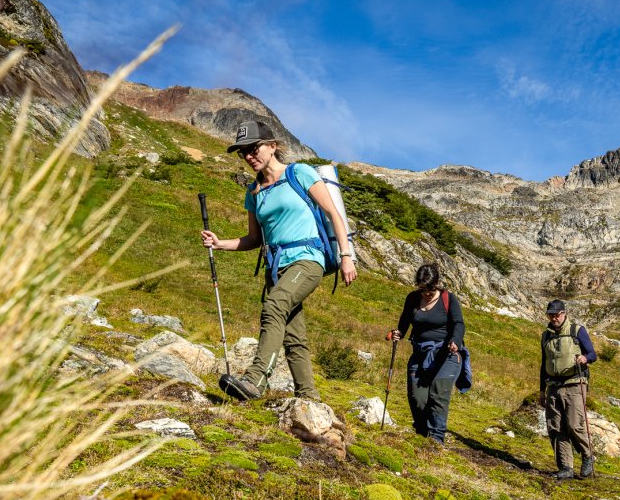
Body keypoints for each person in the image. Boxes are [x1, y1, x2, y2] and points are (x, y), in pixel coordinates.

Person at [201, 121, 356, 401]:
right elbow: (253, 239)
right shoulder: (254, 192)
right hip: (275, 268)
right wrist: (219, 243)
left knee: (274, 306)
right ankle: (308, 398)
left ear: (272, 146)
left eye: (254, 148)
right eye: (243, 152)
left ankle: (255, 381)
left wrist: (346, 256)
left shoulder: (300, 173)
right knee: (293, 335)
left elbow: (333, 214)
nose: (249, 156)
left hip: (308, 260)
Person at [388, 263, 469, 444]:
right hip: (420, 353)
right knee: (416, 397)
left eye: (430, 290)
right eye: (422, 289)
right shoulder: (412, 298)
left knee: (438, 393)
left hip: (446, 354)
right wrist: (399, 333)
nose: (426, 293)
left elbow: (459, 323)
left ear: (437, 284)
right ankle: (422, 433)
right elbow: (405, 321)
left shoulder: (448, 299)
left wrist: (455, 340)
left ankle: (436, 439)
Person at [539, 299, 597, 480]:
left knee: (574, 425)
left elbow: (592, 354)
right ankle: (566, 467)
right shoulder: (546, 336)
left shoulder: (576, 331)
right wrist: (541, 390)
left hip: (574, 383)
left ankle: (587, 456)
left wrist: (585, 359)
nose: (554, 318)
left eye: (557, 314)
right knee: (555, 427)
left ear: (564, 313)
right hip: (553, 386)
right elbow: (543, 364)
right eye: (551, 315)